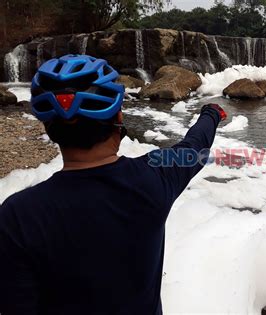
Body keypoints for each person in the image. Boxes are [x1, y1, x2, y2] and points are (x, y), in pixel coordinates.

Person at [0, 55, 227, 315]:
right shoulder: (154, 178)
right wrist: (211, 114)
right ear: (118, 116)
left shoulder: (17, 215)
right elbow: (194, 146)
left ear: (49, 127)